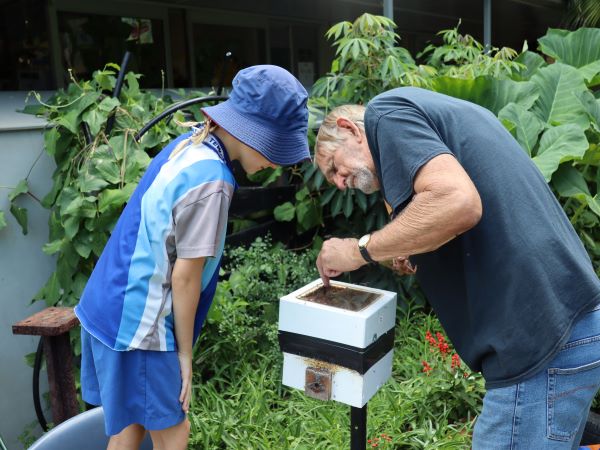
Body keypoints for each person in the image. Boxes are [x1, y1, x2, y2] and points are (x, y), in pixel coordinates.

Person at [313, 86, 600, 449]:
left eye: (334, 167)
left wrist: (358, 251)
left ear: (350, 129)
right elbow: (454, 210)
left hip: (541, 346)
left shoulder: (384, 114)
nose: (340, 184)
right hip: (570, 325)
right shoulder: (432, 117)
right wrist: (411, 245)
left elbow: (458, 202)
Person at [75, 65, 309, 450]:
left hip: (111, 306)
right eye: (274, 147)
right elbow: (186, 277)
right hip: (143, 326)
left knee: (129, 426)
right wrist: (184, 355)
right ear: (248, 132)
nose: (277, 163)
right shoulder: (213, 180)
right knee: (174, 432)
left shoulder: (189, 145)